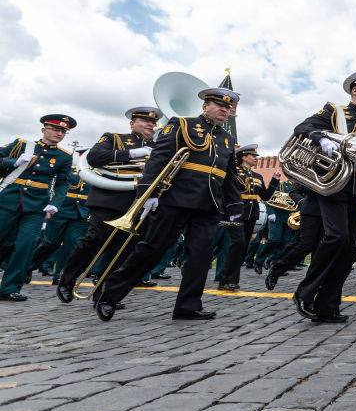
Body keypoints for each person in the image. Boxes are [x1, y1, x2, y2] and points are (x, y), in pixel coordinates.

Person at [93, 89, 243, 321]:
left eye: (228, 107)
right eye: (220, 106)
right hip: (176, 199)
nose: (225, 110)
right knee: (152, 249)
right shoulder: (182, 124)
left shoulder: (227, 138)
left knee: (201, 256)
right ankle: (110, 294)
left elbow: (228, 174)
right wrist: (148, 193)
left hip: (209, 203)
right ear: (205, 107)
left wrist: (235, 204)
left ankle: (188, 306)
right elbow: (159, 159)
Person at [292, 70, 356, 323]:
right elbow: (303, 127)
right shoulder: (335, 112)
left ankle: (328, 306)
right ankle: (305, 291)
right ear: (355, 90)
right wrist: (321, 138)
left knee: (348, 248)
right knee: (336, 237)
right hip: (333, 184)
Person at [57, 107, 160, 303]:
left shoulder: (157, 147)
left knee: (122, 251)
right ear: (132, 123)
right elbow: (95, 158)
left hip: (137, 200)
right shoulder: (114, 138)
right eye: (145, 121)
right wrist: (132, 153)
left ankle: (102, 294)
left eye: (153, 122)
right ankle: (68, 279)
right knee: (94, 239)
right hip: (109, 197)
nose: (150, 125)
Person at [0, 115, 76, 301]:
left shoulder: (64, 156)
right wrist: (14, 162)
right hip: (9, 199)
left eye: (63, 132)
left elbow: (63, 183)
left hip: (36, 206)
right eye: (56, 129)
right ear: (44, 129)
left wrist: (55, 203)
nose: (60, 134)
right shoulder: (21, 145)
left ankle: (9, 288)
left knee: (25, 246)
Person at [217, 144, 266, 291]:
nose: (256, 159)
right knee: (235, 244)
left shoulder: (258, 177)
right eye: (253, 156)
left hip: (251, 213)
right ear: (244, 157)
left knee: (242, 247)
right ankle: (225, 278)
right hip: (236, 212)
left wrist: (275, 180)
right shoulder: (234, 172)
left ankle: (230, 279)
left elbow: (266, 196)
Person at [30, 163, 90, 282]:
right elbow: (56, 187)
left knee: (71, 245)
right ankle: (28, 267)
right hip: (62, 209)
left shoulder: (97, 174)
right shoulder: (70, 170)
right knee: (50, 243)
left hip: (81, 212)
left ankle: (60, 275)